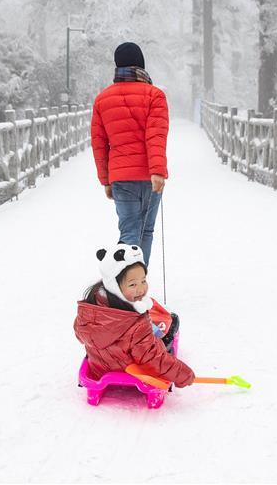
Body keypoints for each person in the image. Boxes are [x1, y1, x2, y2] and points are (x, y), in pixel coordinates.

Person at [91, 42, 168, 266]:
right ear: (141, 64)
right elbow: (156, 136)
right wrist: (157, 171)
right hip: (149, 177)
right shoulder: (155, 96)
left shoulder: (102, 99)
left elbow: (99, 144)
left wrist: (106, 180)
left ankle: (125, 287)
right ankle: (138, 285)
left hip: (120, 178)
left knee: (128, 231)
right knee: (146, 230)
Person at [74, 243, 193, 386]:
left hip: (100, 368)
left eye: (143, 281)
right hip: (134, 370)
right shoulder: (136, 325)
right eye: (132, 284)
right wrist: (182, 374)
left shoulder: (88, 311)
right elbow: (152, 358)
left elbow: (80, 335)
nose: (141, 289)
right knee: (171, 322)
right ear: (115, 287)